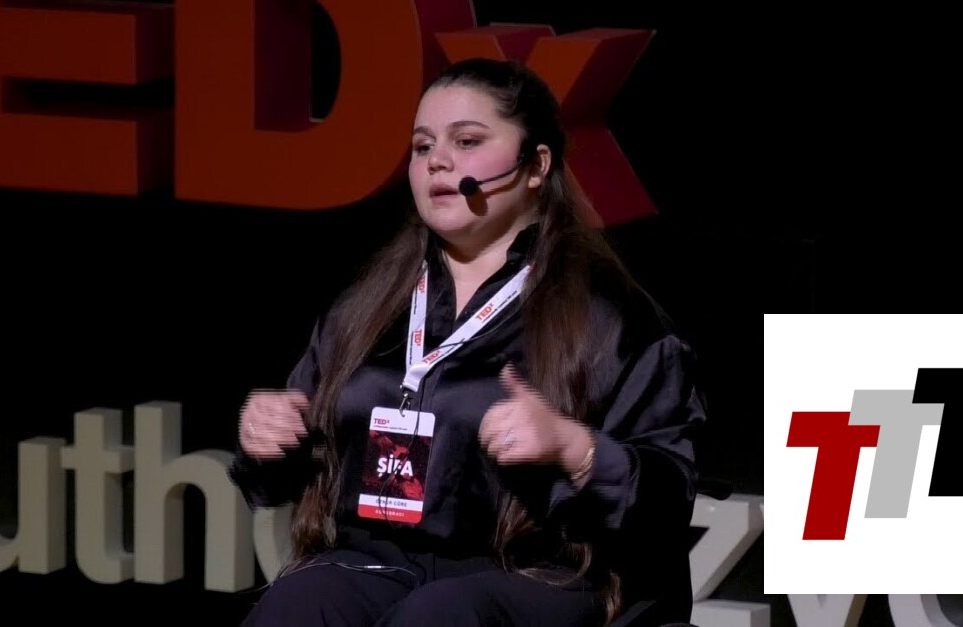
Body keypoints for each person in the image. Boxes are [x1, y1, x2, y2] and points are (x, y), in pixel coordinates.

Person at [228, 57, 707, 627]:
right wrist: (268, 439)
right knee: (301, 602)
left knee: (441, 615)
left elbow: (668, 497)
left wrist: (575, 449)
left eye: (467, 141)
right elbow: (286, 468)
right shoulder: (371, 305)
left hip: (539, 574)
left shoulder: (608, 315)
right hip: (381, 561)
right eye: (423, 146)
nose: (438, 161)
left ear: (536, 165)